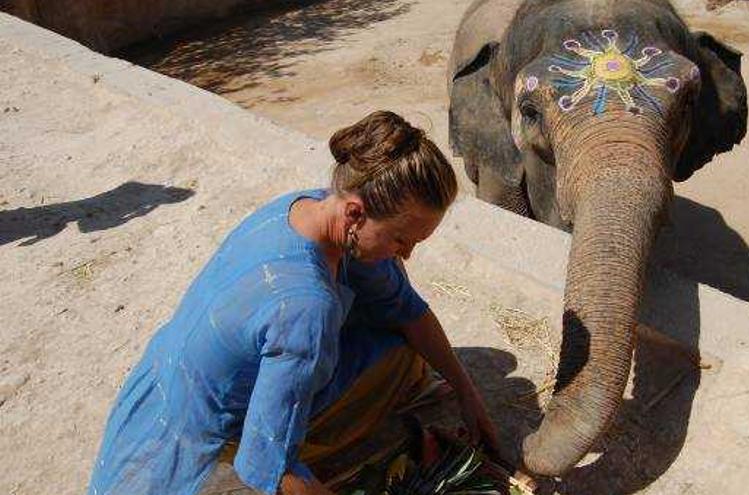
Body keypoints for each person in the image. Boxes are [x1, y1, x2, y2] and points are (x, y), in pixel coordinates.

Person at [87, 111, 499, 495]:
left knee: (399, 337)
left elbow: (407, 308)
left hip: (158, 386)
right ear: (355, 214)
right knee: (395, 364)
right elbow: (265, 466)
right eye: (401, 240)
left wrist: (467, 391)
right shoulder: (306, 309)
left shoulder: (309, 207)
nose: (406, 253)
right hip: (195, 452)